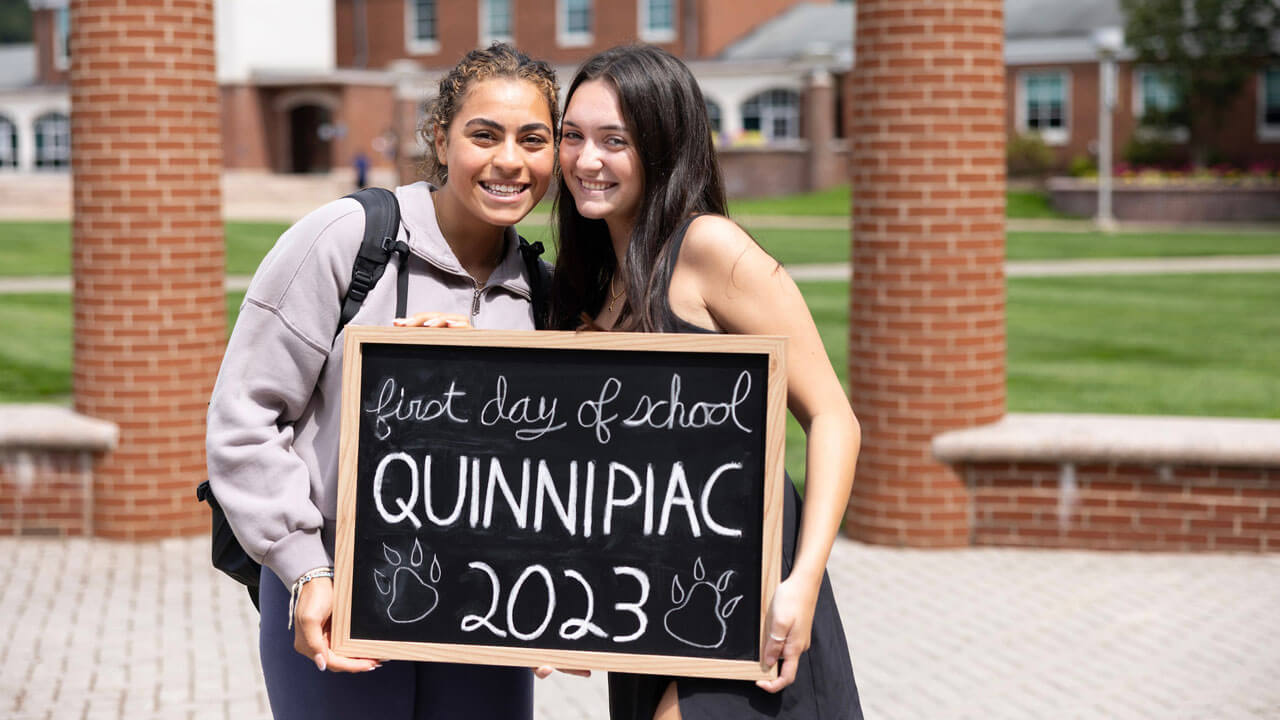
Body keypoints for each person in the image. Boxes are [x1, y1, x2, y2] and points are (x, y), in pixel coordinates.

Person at [205, 43, 558, 720]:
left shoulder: (542, 294)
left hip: (485, 605)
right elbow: (246, 415)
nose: (509, 160)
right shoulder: (349, 239)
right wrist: (305, 565)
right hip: (338, 585)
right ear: (439, 136)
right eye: (483, 135)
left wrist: (561, 592)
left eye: (532, 139)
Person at [545, 45, 864, 720]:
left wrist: (800, 583)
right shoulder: (596, 287)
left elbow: (833, 417)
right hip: (651, 606)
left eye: (614, 141)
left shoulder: (710, 249)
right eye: (572, 136)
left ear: (663, 146)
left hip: (742, 599)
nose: (585, 159)